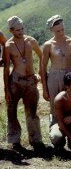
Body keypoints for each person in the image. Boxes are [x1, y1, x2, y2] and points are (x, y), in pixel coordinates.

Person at [3, 16, 45, 151]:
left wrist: (38, 72)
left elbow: (42, 56)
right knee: (12, 110)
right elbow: (6, 68)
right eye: (17, 30)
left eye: (22, 29)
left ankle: (36, 140)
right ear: (11, 30)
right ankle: (15, 141)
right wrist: (6, 90)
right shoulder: (8, 46)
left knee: (32, 111)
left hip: (31, 81)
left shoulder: (31, 41)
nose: (21, 32)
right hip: (15, 80)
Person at [41, 15, 71, 146]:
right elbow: (42, 67)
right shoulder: (48, 45)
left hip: (70, 75)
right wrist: (45, 89)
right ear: (51, 30)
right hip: (54, 77)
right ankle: (56, 134)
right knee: (55, 106)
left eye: (63, 29)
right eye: (58, 31)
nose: (61, 32)